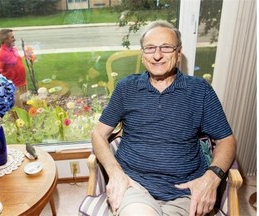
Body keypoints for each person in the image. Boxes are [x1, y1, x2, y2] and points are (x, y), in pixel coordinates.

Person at [91, 20, 236, 216]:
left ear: (178, 53)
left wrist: (212, 177)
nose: (157, 55)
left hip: (185, 192)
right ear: (143, 56)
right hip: (135, 187)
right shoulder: (127, 88)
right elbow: (98, 134)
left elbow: (226, 140)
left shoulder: (199, 90)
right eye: (150, 48)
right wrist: (115, 173)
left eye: (166, 48)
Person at [0, 29, 27, 108]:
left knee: (26, 105)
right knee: (18, 111)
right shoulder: (1, 55)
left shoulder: (14, 48)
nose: (14, 39)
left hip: (23, 84)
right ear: (6, 40)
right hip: (14, 88)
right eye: (12, 37)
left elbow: (16, 61)